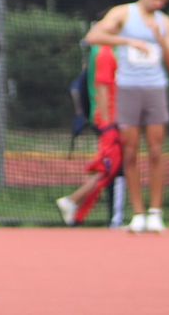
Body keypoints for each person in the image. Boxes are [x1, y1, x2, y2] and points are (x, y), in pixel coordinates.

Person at [85, 0, 169, 234]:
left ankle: (155, 212)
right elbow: (93, 36)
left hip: (155, 88)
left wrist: (158, 38)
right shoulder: (123, 14)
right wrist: (128, 40)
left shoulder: (166, 23)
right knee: (129, 151)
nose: (159, 3)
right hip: (127, 88)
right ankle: (137, 213)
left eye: (165, 0)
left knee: (156, 150)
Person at [55, 37, 123, 227]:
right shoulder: (104, 53)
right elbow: (97, 89)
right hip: (109, 122)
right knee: (107, 168)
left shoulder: (108, 53)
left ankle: (80, 214)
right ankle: (73, 201)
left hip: (111, 120)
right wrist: (107, 121)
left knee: (114, 168)